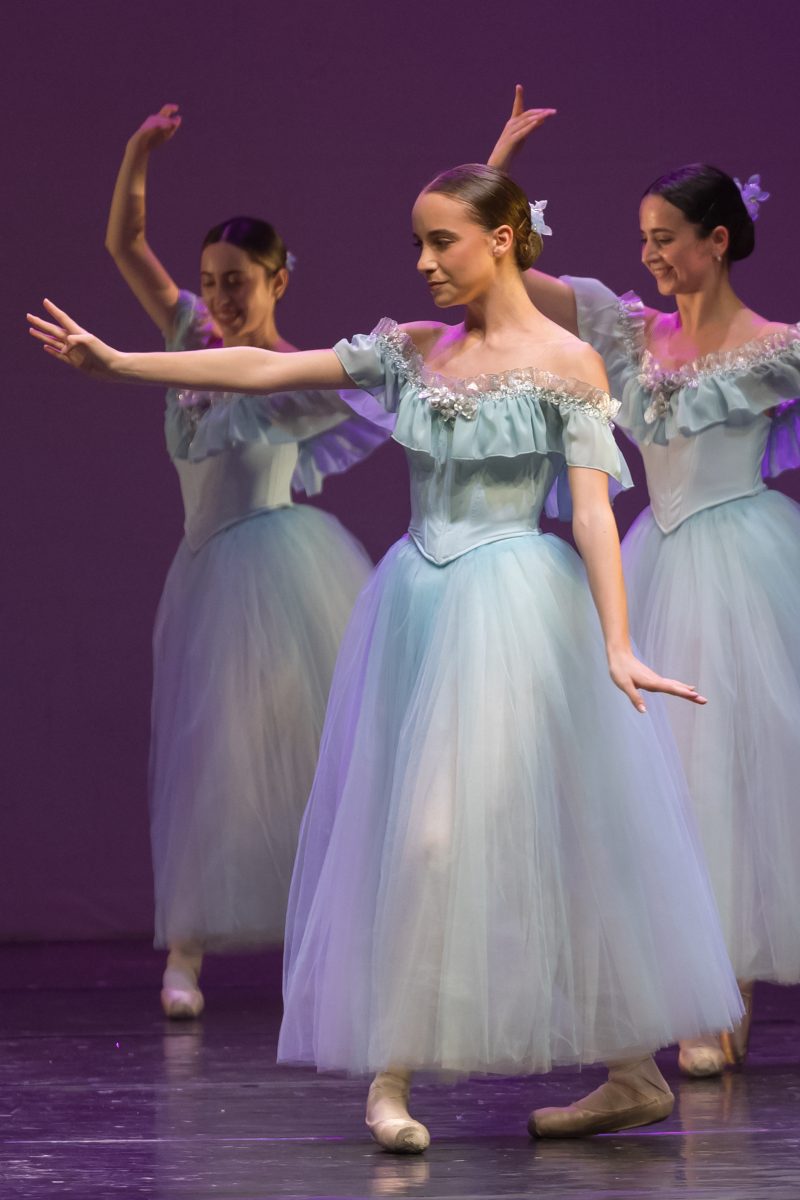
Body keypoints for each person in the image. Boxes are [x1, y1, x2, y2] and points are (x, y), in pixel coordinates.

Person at [28, 162, 742, 1150]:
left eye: (441, 242)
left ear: (499, 241)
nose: (423, 262)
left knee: (546, 833)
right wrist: (120, 366)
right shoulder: (413, 350)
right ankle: (400, 1076)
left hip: (519, 608)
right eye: (417, 243)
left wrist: (617, 642)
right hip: (420, 603)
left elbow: (588, 512)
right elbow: (267, 370)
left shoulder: (568, 362)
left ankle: (624, 1070)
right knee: (425, 836)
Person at [489, 86, 800, 1077]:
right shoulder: (623, 333)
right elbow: (508, 271)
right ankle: (685, 982)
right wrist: (499, 167)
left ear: (716, 240)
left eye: (665, 238)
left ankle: (725, 987)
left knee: (732, 773)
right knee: (653, 771)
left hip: (743, 563)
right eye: (642, 239)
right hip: (653, 562)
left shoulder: (776, 350)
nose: (649, 255)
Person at [101, 105, 389, 1019]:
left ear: (278, 280)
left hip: (278, 575)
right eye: (210, 282)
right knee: (209, 760)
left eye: (238, 282)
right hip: (205, 576)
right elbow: (125, 243)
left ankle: (343, 936)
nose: (220, 298)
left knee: (293, 760)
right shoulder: (190, 340)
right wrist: (139, 152)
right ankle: (185, 950)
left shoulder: (294, 371)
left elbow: (380, 391)